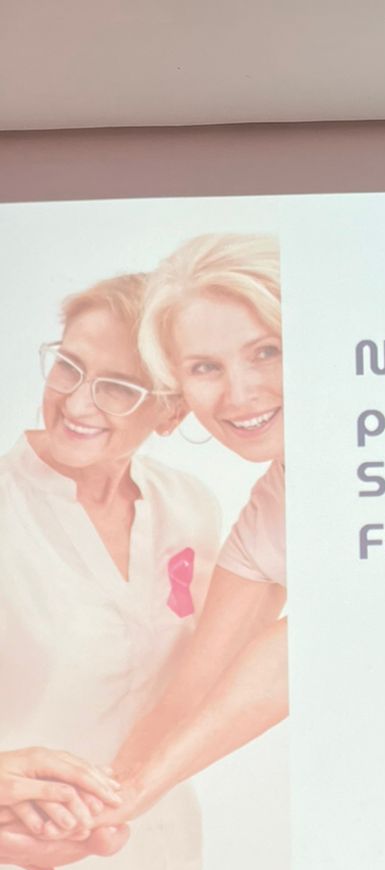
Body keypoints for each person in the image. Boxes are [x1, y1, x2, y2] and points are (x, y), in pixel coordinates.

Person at [0, 274, 221, 870]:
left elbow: (207, 671)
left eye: (118, 386)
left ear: (171, 412)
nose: (76, 401)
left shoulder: (190, 507)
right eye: (68, 366)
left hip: (158, 853)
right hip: (25, 867)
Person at [109, 233, 288, 824]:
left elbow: (297, 650)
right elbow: (188, 694)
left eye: (266, 351)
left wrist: (134, 794)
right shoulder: (273, 508)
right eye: (206, 367)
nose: (239, 394)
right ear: (178, 388)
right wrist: (94, 798)